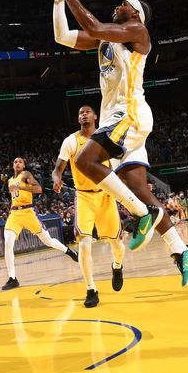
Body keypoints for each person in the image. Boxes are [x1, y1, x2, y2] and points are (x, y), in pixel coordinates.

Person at [46, 0, 188, 287]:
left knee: (84, 161)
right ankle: (183, 250)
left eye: (123, 4)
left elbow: (92, 24)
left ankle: (142, 214)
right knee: (140, 189)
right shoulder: (105, 40)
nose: (117, 6)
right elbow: (62, 36)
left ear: (135, 14)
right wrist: (59, 0)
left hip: (128, 116)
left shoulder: (137, 32)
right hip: (122, 121)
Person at [51, 105, 125, 308]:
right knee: (84, 243)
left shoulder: (106, 138)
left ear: (95, 116)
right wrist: (56, 179)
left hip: (106, 194)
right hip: (84, 197)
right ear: (78, 119)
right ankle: (91, 289)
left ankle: (117, 266)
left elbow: (119, 162)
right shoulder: (71, 141)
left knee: (117, 245)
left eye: (87, 111)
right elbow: (58, 168)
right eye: (80, 112)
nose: (83, 114)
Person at [2, 156, 79, 291]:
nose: (17, 163)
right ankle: (12, 278)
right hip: (15, 214)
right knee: (8, 243)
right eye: (15, 162)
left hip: (28, 212)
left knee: (48, 241)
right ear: (12, 165)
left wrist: (22, 186)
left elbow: (38, 189)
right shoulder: (9, 181)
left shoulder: (25, 175)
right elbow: (14, 196)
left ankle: (69, 251)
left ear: (24, 165)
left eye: (20, 162)